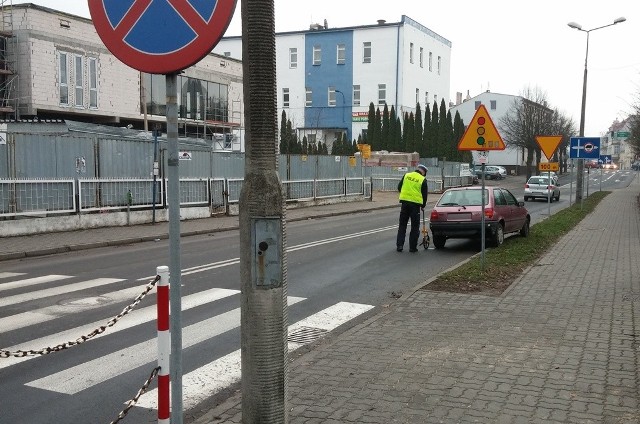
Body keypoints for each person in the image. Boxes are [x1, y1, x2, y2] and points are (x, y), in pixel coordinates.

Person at [396, 164, 428, 252]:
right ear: (423, 172)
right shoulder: (422, 180)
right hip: (415, 206)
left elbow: (399, 187)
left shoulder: (406, 175)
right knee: (414, 227)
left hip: (404, 204)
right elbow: (424, 195)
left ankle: (400, 246)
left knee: (402, 225)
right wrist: (423, 206)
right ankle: (412, 247)